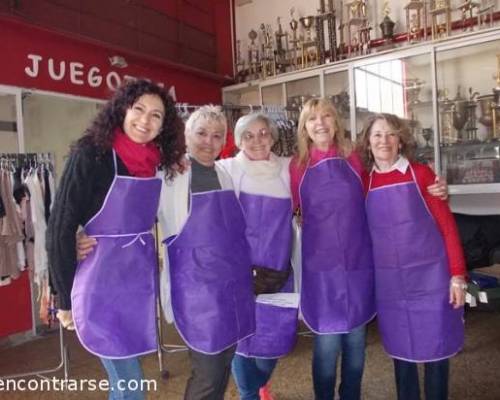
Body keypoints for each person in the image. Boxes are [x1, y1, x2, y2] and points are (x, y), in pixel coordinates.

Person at [289, 98, 448, 400]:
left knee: (356, 348)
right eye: (312, 119)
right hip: (321, 271)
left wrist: (435, 185)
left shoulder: (354, 159)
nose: (320, 123)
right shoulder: (296, 166)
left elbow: (383, 185)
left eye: (326, 116)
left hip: (359, 264)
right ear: (304, 127)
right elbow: (282, 208)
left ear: (336, 122)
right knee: (326, 347)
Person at [46, 78, 185, 400]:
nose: (145, 121)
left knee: (123, 385)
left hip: (134, 282)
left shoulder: (155, 162)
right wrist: (63, 297)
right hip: (98, 282)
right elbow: (60, 224)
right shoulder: (92, 154)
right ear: (122, 109)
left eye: (156, 116)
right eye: (139, 110)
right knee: (131, 383)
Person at [358, 113, 466, 400]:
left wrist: (458, 275)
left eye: (391, 134)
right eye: (378, 135)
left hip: (432, 279)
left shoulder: (421, 174)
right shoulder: (363, 183)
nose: (385, 141)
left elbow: (447, 226)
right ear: (368, 143)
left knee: (436, 349)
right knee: (402, 353)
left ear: (401, 140)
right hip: (391, 285)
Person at [157, 105, 255, 400]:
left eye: (216, 136)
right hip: (196, 292)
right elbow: (133, 214)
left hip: (231, 287)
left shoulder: (225, 174)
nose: (207, 142)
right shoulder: (168, 177)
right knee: (208, 373)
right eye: (200, 133)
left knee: (224, 364)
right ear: (187, 134)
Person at [217, 113, 299, 400]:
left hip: (278, 274)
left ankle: (258, 384)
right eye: (248, 135)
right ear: (238, 141)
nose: (256, 140)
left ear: (273, 137)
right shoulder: (225, 169)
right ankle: (249, 395)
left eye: (263, 133)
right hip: (238, 275)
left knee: (273, 342)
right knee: (240, 342)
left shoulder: (289, 170)